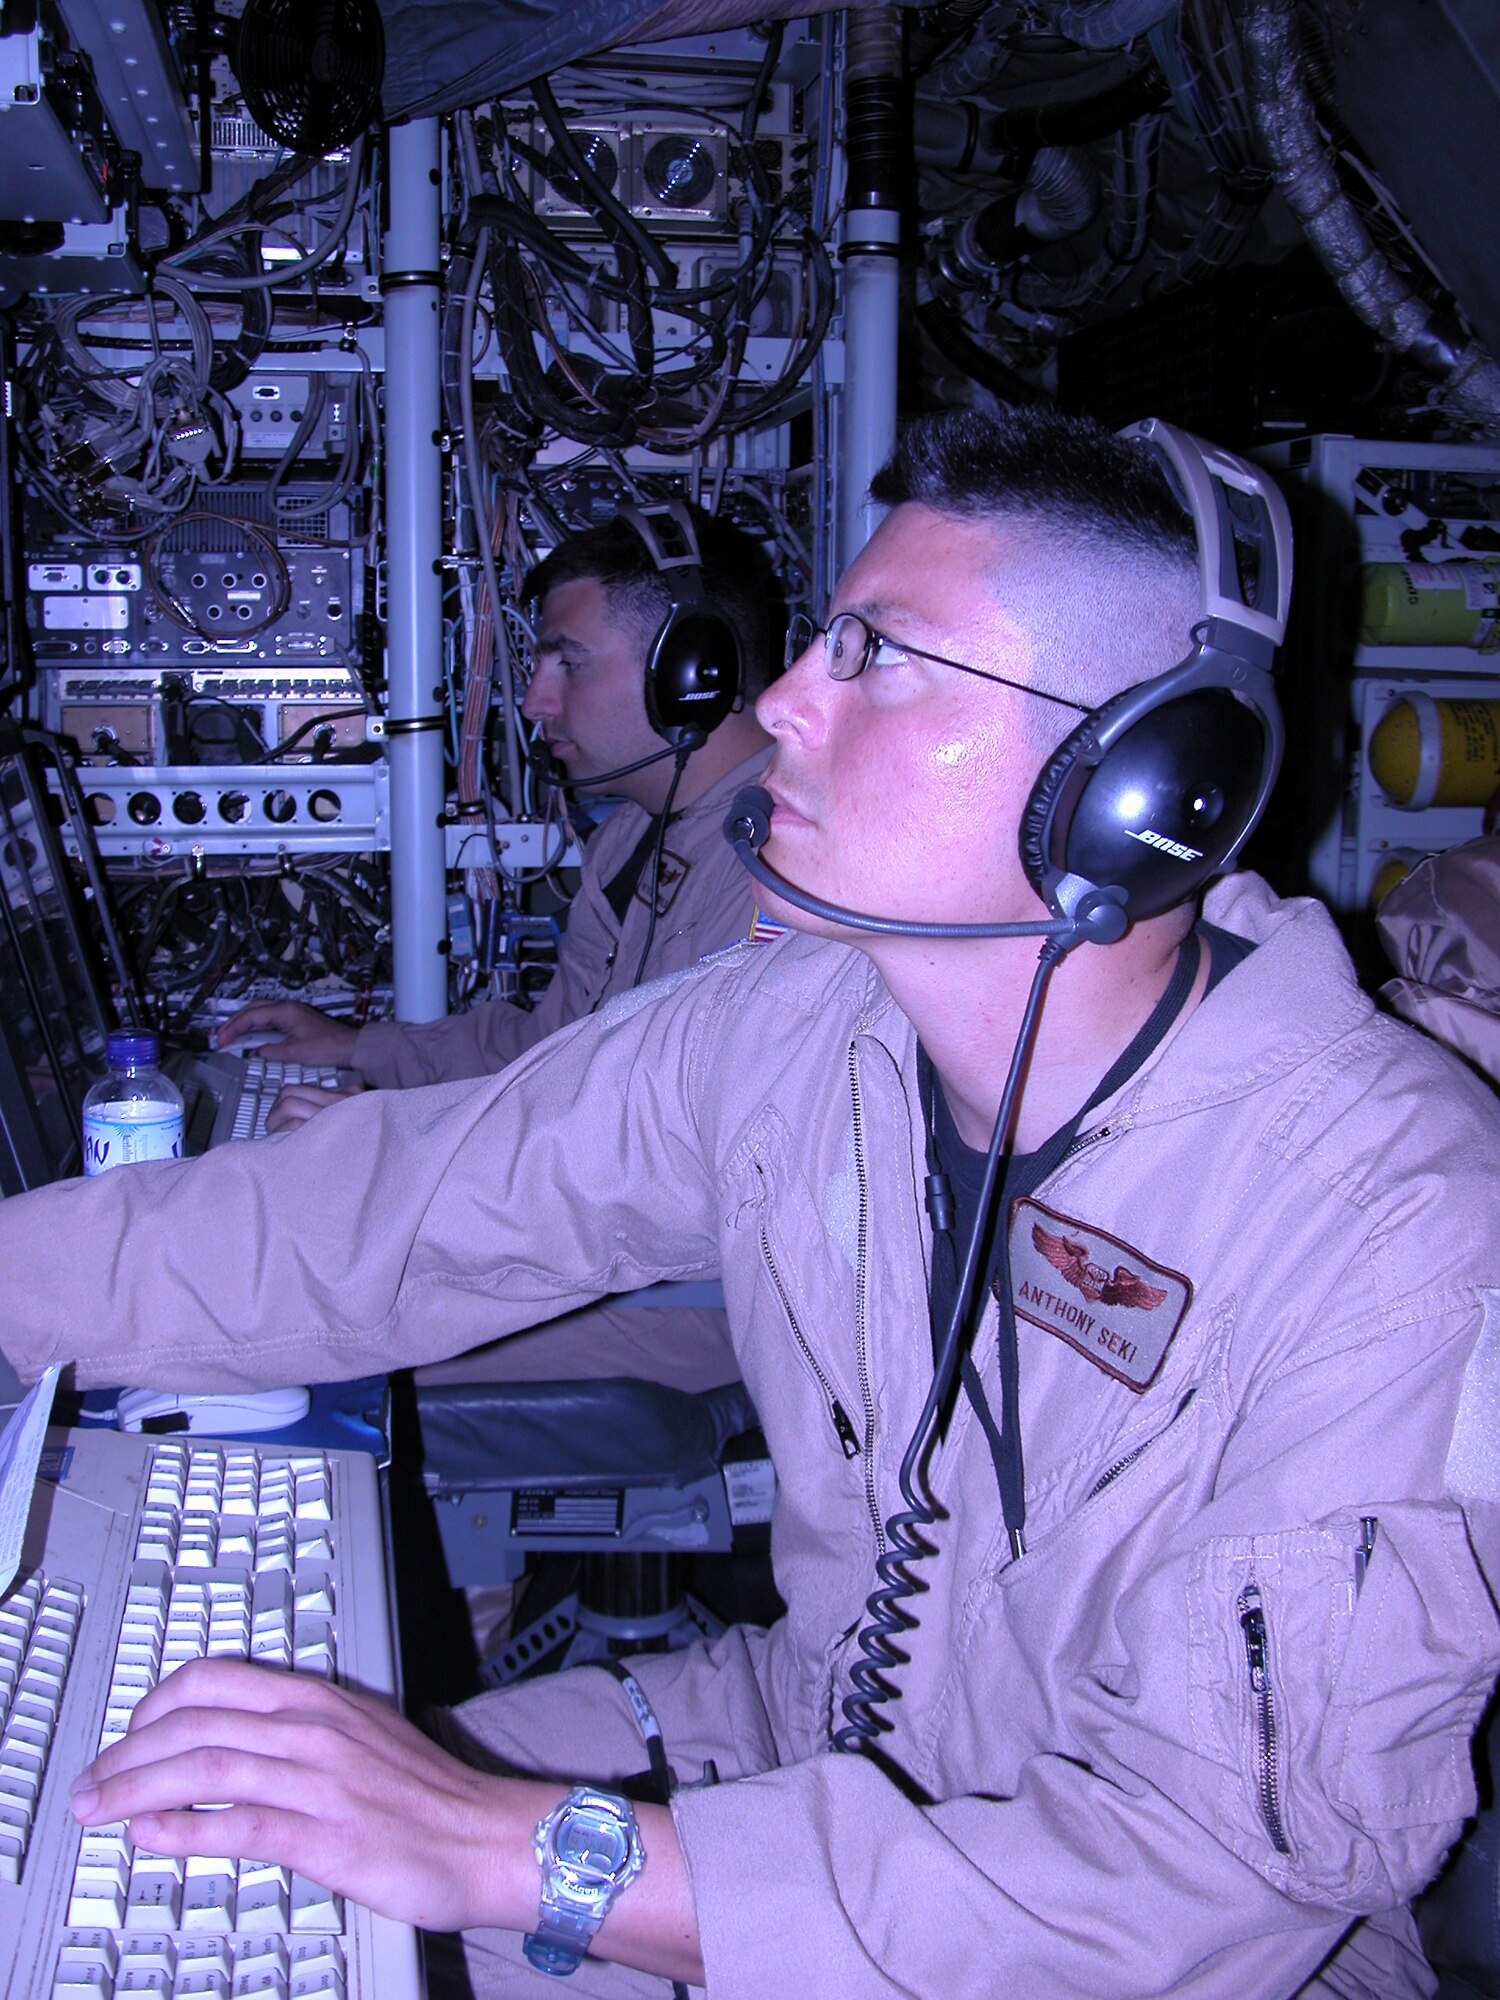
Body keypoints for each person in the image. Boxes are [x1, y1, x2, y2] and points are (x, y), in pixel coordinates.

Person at [5, 406, 1499, 1999]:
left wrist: (500, 1844)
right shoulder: (804, 1024)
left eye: (880, 655)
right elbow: (390, 1218)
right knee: (159, 1822)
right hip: (797, 1744)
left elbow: (1191, 1889)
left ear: (1137, 786)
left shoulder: (1402, 1224)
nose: (783, 696)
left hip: (1164, 1954)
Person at [222, 510, 775, 1394]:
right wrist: (358, 1049)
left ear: (692, 673)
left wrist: (390, 1149)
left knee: (277, 1329)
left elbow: (657, 1175)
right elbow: (548, 1054)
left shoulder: (778, 871)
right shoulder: (636, 831)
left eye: (568, 660)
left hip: (697, 1297)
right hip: (607, 1247)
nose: (534, 701)